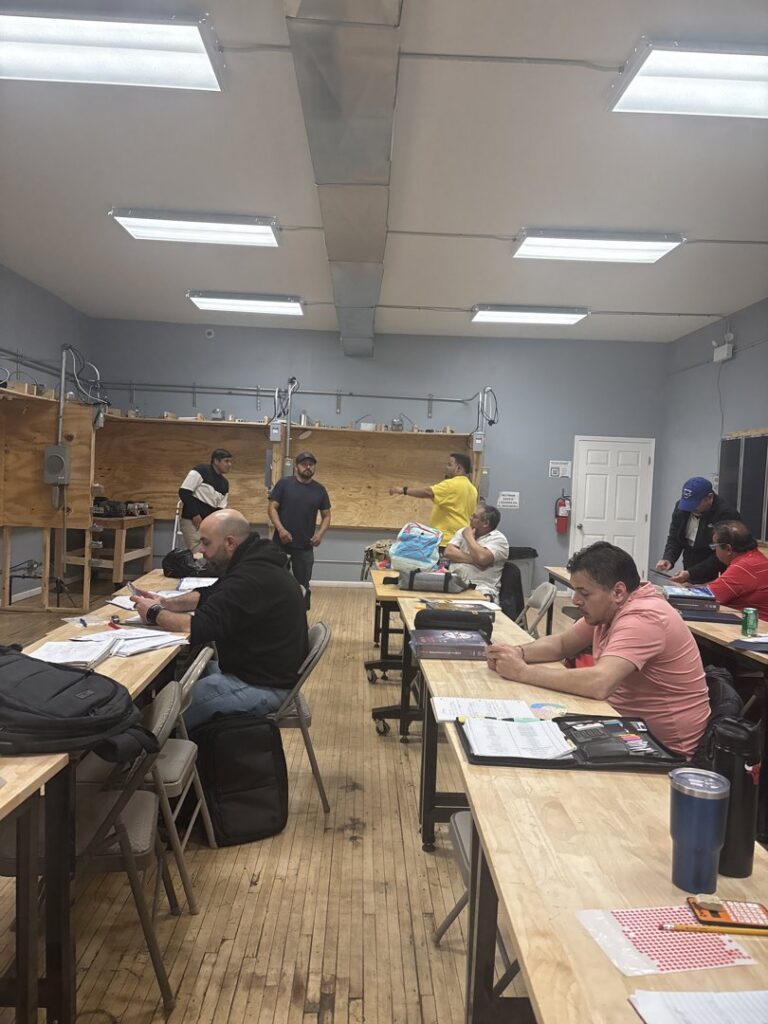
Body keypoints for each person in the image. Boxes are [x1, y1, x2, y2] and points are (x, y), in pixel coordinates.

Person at [487, 541, 709, 757]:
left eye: (584, 593)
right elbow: (562, 644)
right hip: (626, 724)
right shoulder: (610, 609)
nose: (575, 600)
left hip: (664, 748)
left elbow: (599, 683)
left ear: (618, 592)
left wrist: (521, 672)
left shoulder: (644, 617)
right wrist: (517, 652)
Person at [131, 509, 308, 731]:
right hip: (258, 672)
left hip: (263, 685)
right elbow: (211, 594)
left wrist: (154, 612)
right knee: (183, 677)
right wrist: (166, 603)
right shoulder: (255, 561)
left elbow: (196, 628)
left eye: (205, 543)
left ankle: (152, 754)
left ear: (230, 543)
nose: (200, 550)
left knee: (161, 718)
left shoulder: (251, 578)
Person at [267, 452, 331, 607]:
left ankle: (301, 618)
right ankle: (277, 616)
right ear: (296, 467)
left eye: (311, 464)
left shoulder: (320, 490)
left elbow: (326, 516)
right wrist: (281, 530)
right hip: (280, 544)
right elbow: (272, 508)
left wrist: (320, 534)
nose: (308, 467)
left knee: (303, 585)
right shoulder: (284, 484)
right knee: (276, 583)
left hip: (304, 547)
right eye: (304, 464)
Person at [656, 476, 740, 584]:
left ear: (709, 497)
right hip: (689, 562)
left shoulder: (726, 514)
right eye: (688, 505)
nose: (691, 509)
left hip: (714, 570)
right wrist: (668, 559)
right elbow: (675, 538)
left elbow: (724, 554)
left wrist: (691, 573)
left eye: (695, 505)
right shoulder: (681, 508)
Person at [389, 452, 478, 547]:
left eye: (449, 465)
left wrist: (403, 490)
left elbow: (428, 492)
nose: (446, 468)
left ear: (458, 468)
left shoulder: (452, 484)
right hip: (460, 540)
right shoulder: (472, 489)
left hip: (446, 541)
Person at [443, 504, 509, 600]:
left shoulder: (499, 539)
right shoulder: (463, 531)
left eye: (474, 517)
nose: (470, 518)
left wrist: (469, 537)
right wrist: (476, 561)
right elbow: (449, 552)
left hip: (480, 587)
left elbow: (482, 558)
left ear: (485, 523)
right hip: (455, 582)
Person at [707, 521, 768, 620]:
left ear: (728, 549)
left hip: (753, 628)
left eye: (715, 546)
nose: (715, 551)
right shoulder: (756, 558)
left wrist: (682, 588)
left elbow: (706, 598)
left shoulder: (744, 567)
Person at [178, 448, 233, 551]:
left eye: (230, 461)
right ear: (216, 461)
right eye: (226, 461)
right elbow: (184, 492)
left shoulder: (225, 484)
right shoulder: (200, 470)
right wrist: (195, 514)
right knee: (198, 552)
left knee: (211, 554)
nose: (229, 464)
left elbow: (220, 508)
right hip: (192, 522)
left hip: (209, 525)